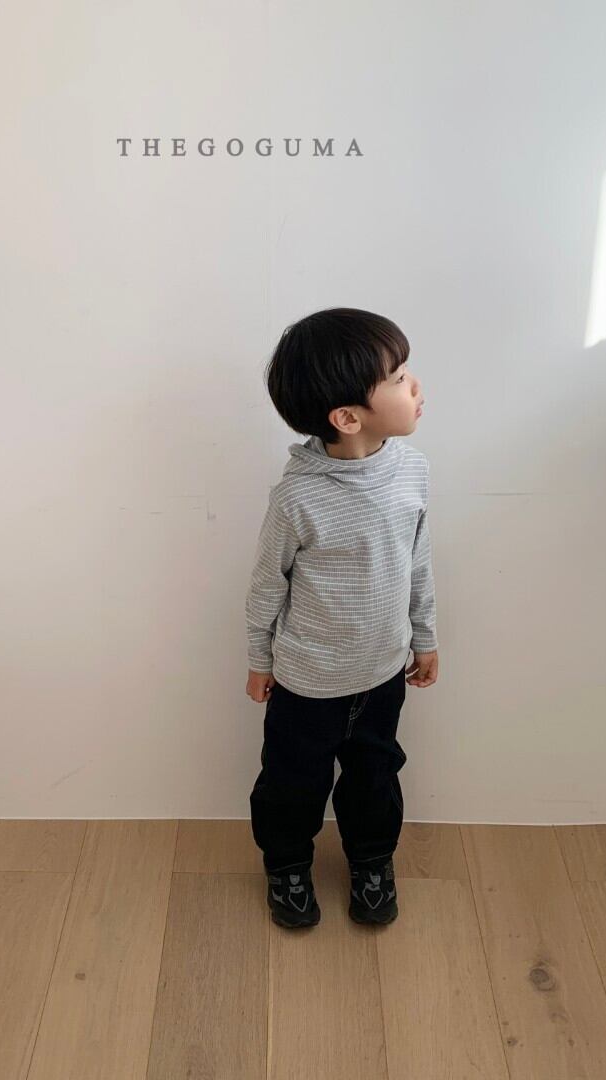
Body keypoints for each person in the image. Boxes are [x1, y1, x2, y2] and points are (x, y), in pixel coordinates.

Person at [245, 307, 439, 929]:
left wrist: (425, 637)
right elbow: (267, 583)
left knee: (375, 777)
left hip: (383, 673)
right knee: (292, 783)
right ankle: (287, 865)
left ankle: (372, 861)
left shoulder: (412, 471)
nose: (415, 385)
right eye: (399, 378)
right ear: (348, 417)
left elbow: (417, 562)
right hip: (306, 683)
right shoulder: (297, 498)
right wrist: (259, 659)